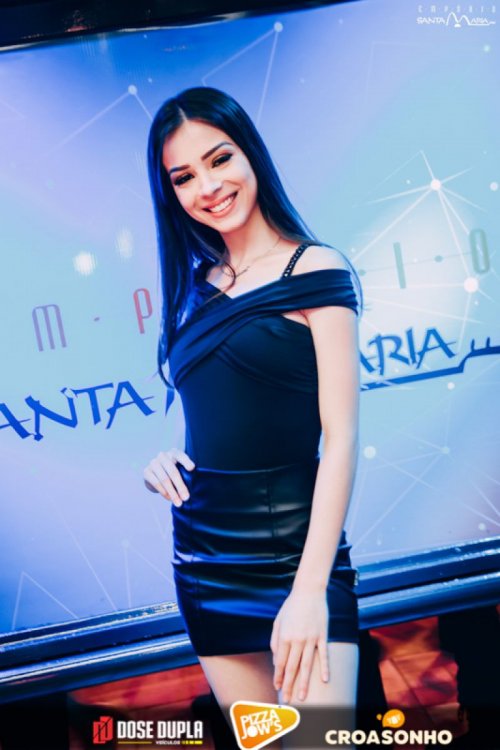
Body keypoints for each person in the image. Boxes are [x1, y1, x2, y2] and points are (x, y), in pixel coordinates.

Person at [143, 86, 364, 748]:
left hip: (300, 555)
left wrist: (309, 592)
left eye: (219, 159)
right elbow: (214, 411)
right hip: (207, 559)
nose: (207, 187)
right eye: (184, 177)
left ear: (251, 155)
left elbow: (342, 439)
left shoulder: (315, 269)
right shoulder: (194, 291)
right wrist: (165, 460)